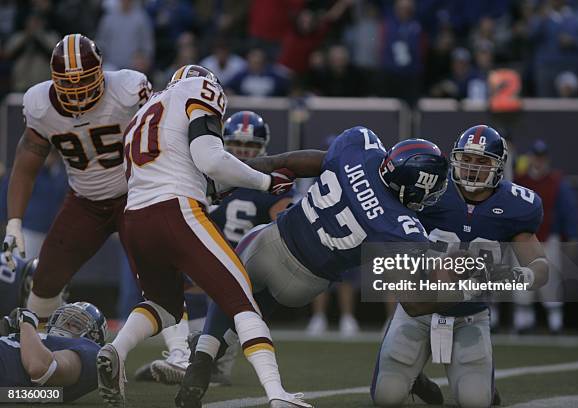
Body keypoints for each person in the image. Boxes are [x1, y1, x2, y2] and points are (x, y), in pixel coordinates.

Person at [180, 127, 450, 406]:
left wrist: (260, 166)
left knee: (235, 294)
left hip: (270, 244)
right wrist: (461, 288)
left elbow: (301, 162)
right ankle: (410, 373)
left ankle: (203, 357)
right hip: (305, 285)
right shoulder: (401, 226)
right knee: (256, 308)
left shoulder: (359, 147)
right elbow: (414, 303)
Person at [99, 64, 310, 408]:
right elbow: (210, 159)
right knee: (241, 299)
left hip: (135, 218)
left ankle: (116, 350)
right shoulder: (199, 90)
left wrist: (213, 189)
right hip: (175, 210)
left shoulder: (144, 114)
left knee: (162, 305)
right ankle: (277, 393)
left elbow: (183, 167)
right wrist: (266, 182)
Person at [371, 125, 549, 408]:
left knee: (475, 401)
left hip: (470, 316)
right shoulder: (429, 188)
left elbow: (540, 265)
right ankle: (415, 378)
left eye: (482, 162)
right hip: (418, 309)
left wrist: (518, 276)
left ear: (499, 166)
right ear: (454, 159)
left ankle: (485, 389)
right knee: (386, 397)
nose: (472, 169)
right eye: (466, 159)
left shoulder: (517, 206)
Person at [1, 33, 151, 326]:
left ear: (100, 72)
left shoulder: (128, 89)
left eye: (84, 79)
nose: (77, 89)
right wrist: (14, 223)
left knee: (158, 272)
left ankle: (179, 353)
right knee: (44, 280)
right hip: (86, 201)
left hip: (135, 193)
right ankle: (38, 348)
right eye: (68, 82)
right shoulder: (40, 105)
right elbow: (25, 164)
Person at [137, 111, 294, 386]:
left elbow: (284, 226)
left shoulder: (211, 175)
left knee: (219, 304)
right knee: (179, 289)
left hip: (241, 263)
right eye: (238, 146)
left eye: (251, 148)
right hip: (218, 260)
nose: (244, 153)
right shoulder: (240, 178)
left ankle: (198, 359)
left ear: (263, 148)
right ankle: (190, 355)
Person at [513, 139, 577, 334]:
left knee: (551, 279)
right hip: (523, 239)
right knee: (522, 279)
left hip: (549, 237)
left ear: (546, 159)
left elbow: (568, 210)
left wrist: (572, 235)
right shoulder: (520, 180)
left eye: (542, 157)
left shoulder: (557, 181)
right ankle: (523, 320)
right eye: (536, 156)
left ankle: (555, 321)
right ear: (531, 157)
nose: (538, 161)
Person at [0, 302, 107, 402]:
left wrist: (27, 323)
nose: (67, 323)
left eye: (76, 324)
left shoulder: (92, 350)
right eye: (63, 319)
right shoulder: (38, 342)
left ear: (93, 337)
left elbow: (39, 368)